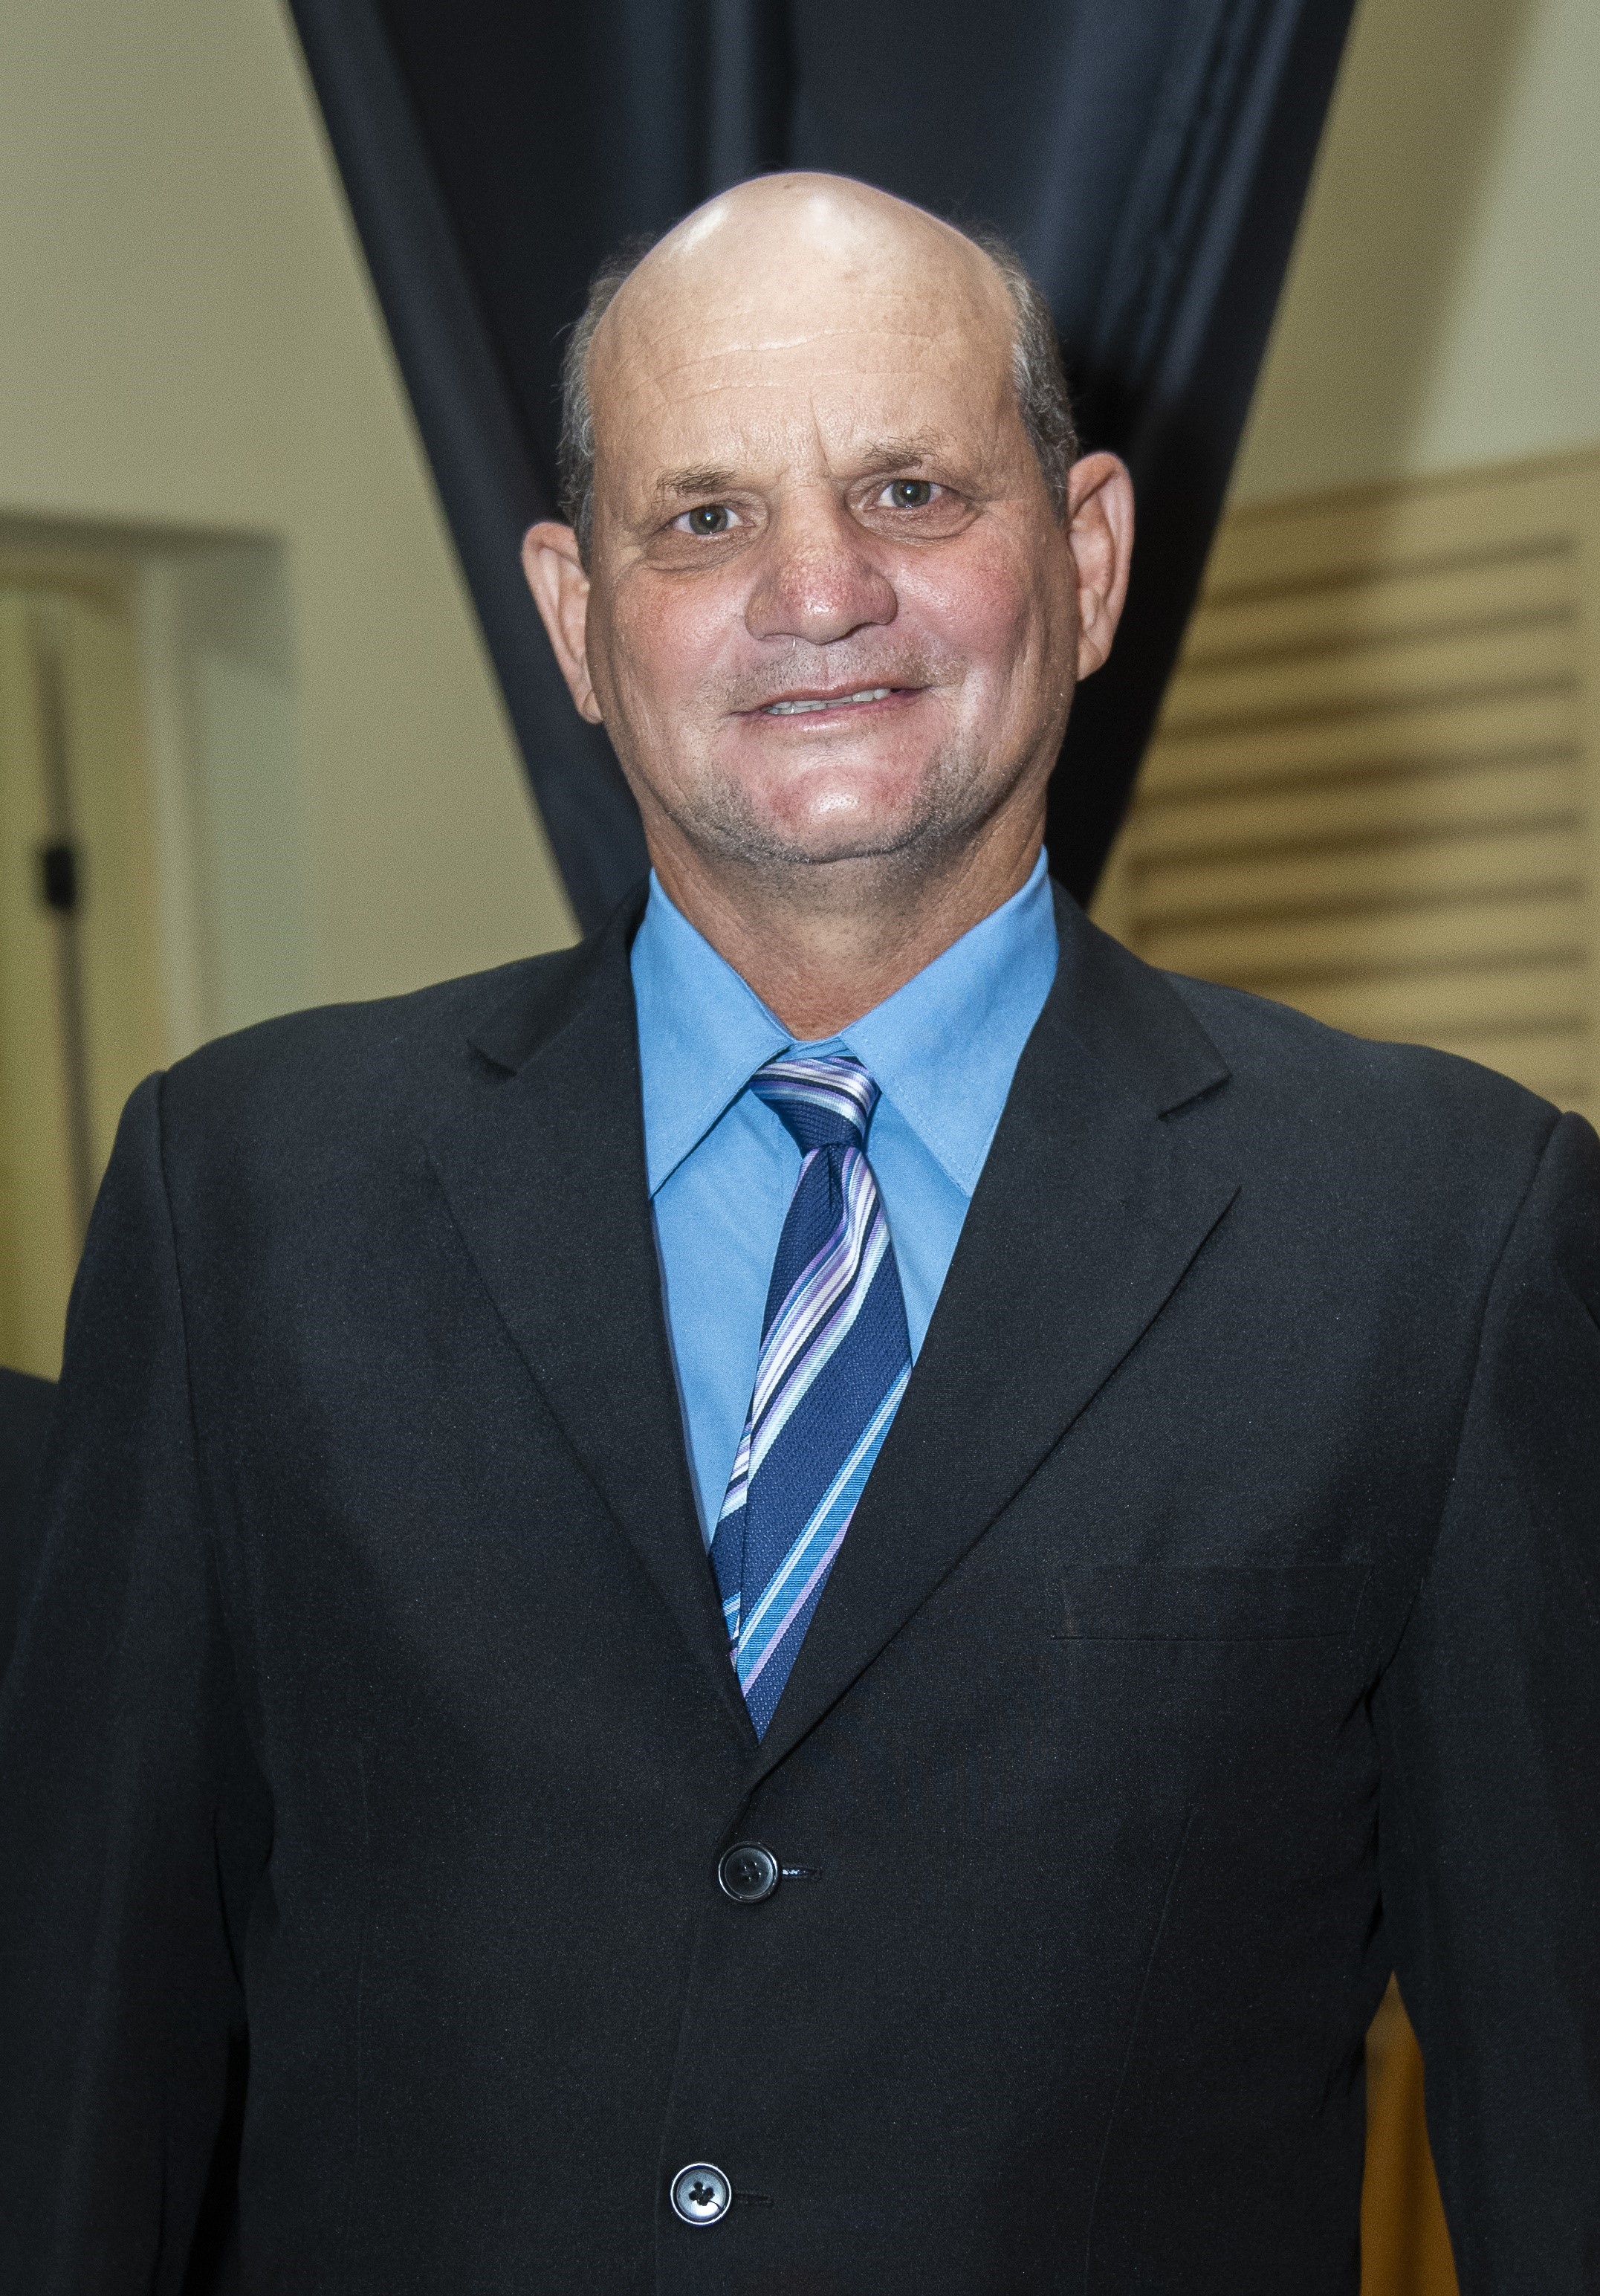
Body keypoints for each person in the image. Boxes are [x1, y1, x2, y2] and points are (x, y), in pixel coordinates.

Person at [1, 172, 1595, 2295]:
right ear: (573, 614)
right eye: (704, 517)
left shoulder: (1440, 1237)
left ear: (1088, 557)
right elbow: (76, 2095)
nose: (819, 591)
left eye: (910, 490)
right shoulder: (243, 1202)